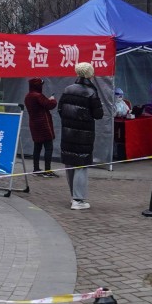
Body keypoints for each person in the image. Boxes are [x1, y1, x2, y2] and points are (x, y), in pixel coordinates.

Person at [58, 62, 104, 210]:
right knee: (81, 165)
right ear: (90, 74)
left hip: (68, 133)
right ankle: (78, 200)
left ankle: (73, 197)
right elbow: (98, 114)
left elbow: (60, 109)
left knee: (70, 164)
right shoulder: (91, 92)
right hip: (84, 134)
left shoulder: (67, 89)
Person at [24, 78, 58, 178]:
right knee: (48, 147)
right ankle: (48, 170)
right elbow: (49, 105)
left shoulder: (28, 96)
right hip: (43, 124)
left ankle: (36, 168)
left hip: (34, 124)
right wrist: (52, 100)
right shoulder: (38, 96)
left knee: (37, 147)